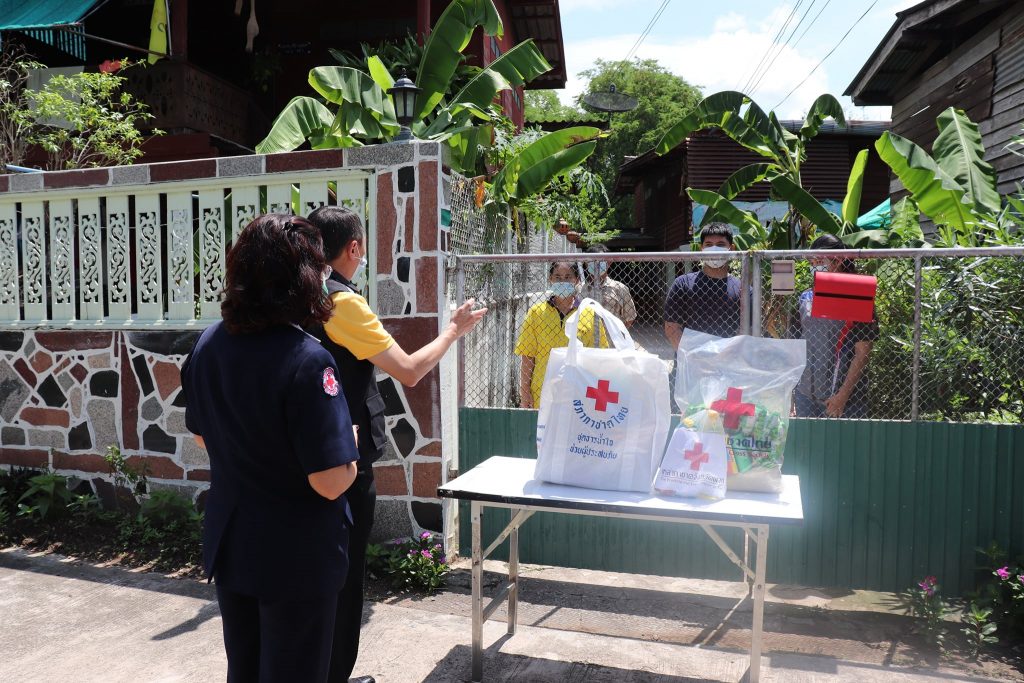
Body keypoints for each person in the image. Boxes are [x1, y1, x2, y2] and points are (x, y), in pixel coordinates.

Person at [306, 206, 486, 683]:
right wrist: (453, 330)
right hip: (343, 459)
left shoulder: (295, 298)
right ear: (354, 248)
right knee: (344, 577)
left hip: (300, 455)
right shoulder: (341, 303)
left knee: (309, 574)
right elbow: (408, 370)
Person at [181, 214, 360, 682]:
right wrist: (351, 447)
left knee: (245, 668)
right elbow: (330, 481)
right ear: (304, 279)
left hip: (235, 544)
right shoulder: (307, 359)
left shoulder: (208, 344)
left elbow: (202, 435)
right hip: (295, 556)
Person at [794, 233, 878, 418]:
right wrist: (793, 391)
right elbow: (796, 343)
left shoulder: (858, 296)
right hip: (805, 394)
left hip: (845, 399)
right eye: (812, 261)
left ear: (838, 260)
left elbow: (863, 351)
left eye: (820, 261)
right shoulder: (805, 297)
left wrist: (842, 396)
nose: (815, 266)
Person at [515, 261, 608, 409]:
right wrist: (525, 393)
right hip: (542, 391)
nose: (562, 281)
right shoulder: (536, 313)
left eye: (568, 277)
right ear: (550, 280)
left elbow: (600, 357)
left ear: (577, 280)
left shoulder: (589, 314)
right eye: (557, 277)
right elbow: (527, 356)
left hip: (578, 393)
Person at [663, 222, 741, 348]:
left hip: (728, 358)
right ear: (701, 249)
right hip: (690, 358)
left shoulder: (743, 289)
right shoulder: (682, 284)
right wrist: (691, 356)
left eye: (720, 244)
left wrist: (727, 355)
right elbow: (671, 328)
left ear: (731, 249)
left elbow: (746, 331)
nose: (714, 249)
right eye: (709, 245)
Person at [583, 244, 637, 328]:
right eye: (591, 261)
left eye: (600, 261)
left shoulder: (620, 288)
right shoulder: (581, 289)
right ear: (586, 265)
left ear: (609, 262)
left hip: (611, 336)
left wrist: (617, 333)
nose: (596, 264)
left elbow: (630, 317)